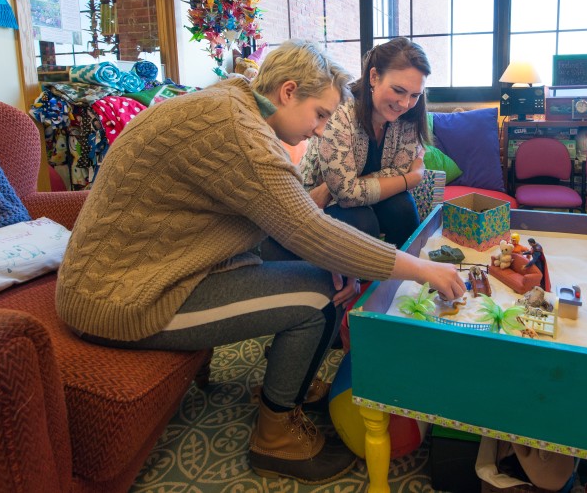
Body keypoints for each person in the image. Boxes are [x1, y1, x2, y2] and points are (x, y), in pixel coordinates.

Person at [55, 40, 465, 485]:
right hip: (119, 297)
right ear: (288, 92)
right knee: (317, 295)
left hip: (146, 268)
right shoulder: (243, 135)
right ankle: (275, 435)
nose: (321, 129)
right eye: (321, 115)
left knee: (320, 267)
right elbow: (310, 229)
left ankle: (291, 378)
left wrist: (330, 250)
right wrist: (422, 268)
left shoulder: (232, 103)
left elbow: (273, 222)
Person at [300, 37, 431, 248]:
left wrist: (348, 183)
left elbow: (400, 168)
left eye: (415, 95)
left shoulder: (409, 116)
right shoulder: (341, 111)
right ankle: (362, 279)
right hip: (317, 202)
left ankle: (403, 278)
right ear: (373, 76)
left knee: (402, 208)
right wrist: (412, 179)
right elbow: (345, 194)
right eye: (398, 90)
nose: (405, 103)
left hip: (342, 194)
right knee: (362, 223)